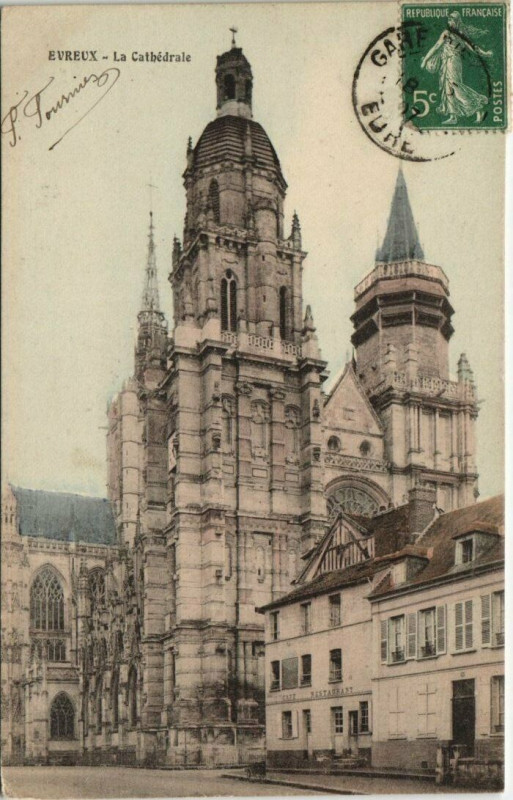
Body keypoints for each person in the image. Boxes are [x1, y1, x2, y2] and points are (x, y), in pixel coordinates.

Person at [421, 11, 492, 124]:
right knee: (448, 88)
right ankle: (453, 116)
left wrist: (484, 53)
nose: (450, 22)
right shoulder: (447, 33)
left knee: (455, 86)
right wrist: (426, 60)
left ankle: (478, 106)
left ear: (457, 21)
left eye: (452, 20)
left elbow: (472, 47)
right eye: (449, 20)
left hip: (453, 62)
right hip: (446, 62)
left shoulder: (459, 35)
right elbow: (436, 46)